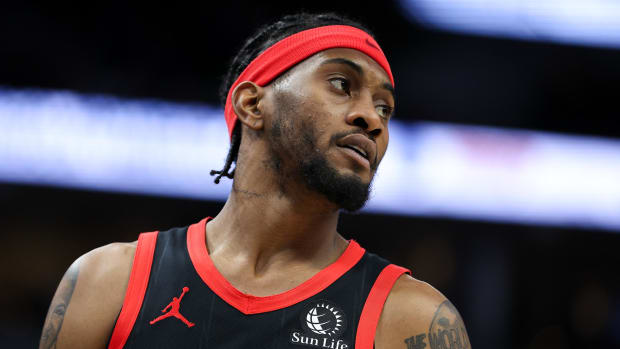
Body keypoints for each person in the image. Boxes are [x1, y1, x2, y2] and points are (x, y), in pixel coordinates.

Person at [40, 12, 471, 349]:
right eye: (342, 84)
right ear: (251, 103)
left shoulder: (412, 318)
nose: (372, 118)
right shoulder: (109, 280)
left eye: (385, 107)